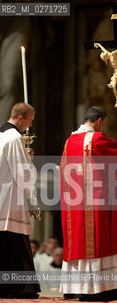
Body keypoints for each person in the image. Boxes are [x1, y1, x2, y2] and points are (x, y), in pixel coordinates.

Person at [60, 106, 117, 301]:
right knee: (100, 240)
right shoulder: (96, 139)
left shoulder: (69, 141)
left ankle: (75, 287)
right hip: (96, 202)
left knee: (78, 242)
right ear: (99, 121)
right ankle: (100, 288)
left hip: (74, 205)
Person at [0, 102, 40, 298]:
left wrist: (25, 156)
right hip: (11, 199)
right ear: (20, 118)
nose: (29, 126)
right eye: (29, 121)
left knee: (5, 243)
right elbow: (22, 173)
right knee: (16, 244)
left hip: (2, 195)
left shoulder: (1, 135)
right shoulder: (15, 137)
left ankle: (6, 287)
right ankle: (21, 287)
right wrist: (32, 195)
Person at [94, 40, 117, 108]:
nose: (106, 60)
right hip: (114, 72)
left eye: (105, 59)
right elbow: (103, 49)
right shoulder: (107, 53)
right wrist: (99, 45)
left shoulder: (112, 54)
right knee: (114, 87)